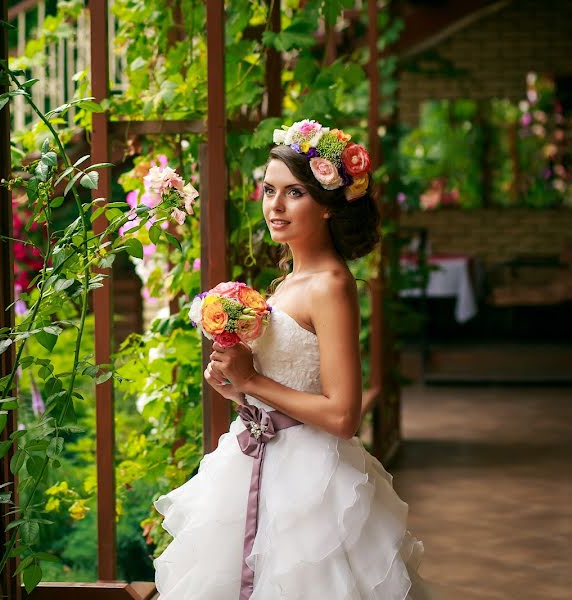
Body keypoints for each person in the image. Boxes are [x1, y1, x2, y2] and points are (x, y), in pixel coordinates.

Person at [153, 120, 440, 599]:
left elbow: (343, 415)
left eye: (294, 193)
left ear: (327, 207)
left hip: (310, 480)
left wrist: (254, 382)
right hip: (257, 457)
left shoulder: (330, 285)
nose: (275, 205)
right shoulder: (288, 281)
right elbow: (288, 378)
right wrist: (236, 384)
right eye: (269, 190)